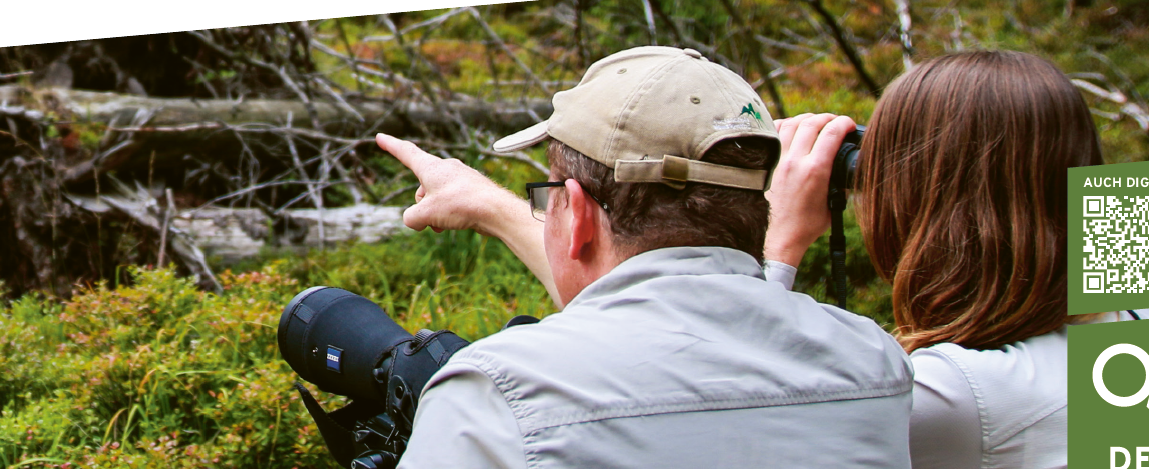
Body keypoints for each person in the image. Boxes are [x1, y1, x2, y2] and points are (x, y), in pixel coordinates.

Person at [378, 46, 914, 469]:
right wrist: (490, 207)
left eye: (550, 200)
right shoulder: (874, 362)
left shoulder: (497, 394)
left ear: (580, 216)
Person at [763, 50, 1149, 469]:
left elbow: (740, 421)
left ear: (922, 203)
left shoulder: (957, 394)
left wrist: (774, 236)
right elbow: (1103, 199)